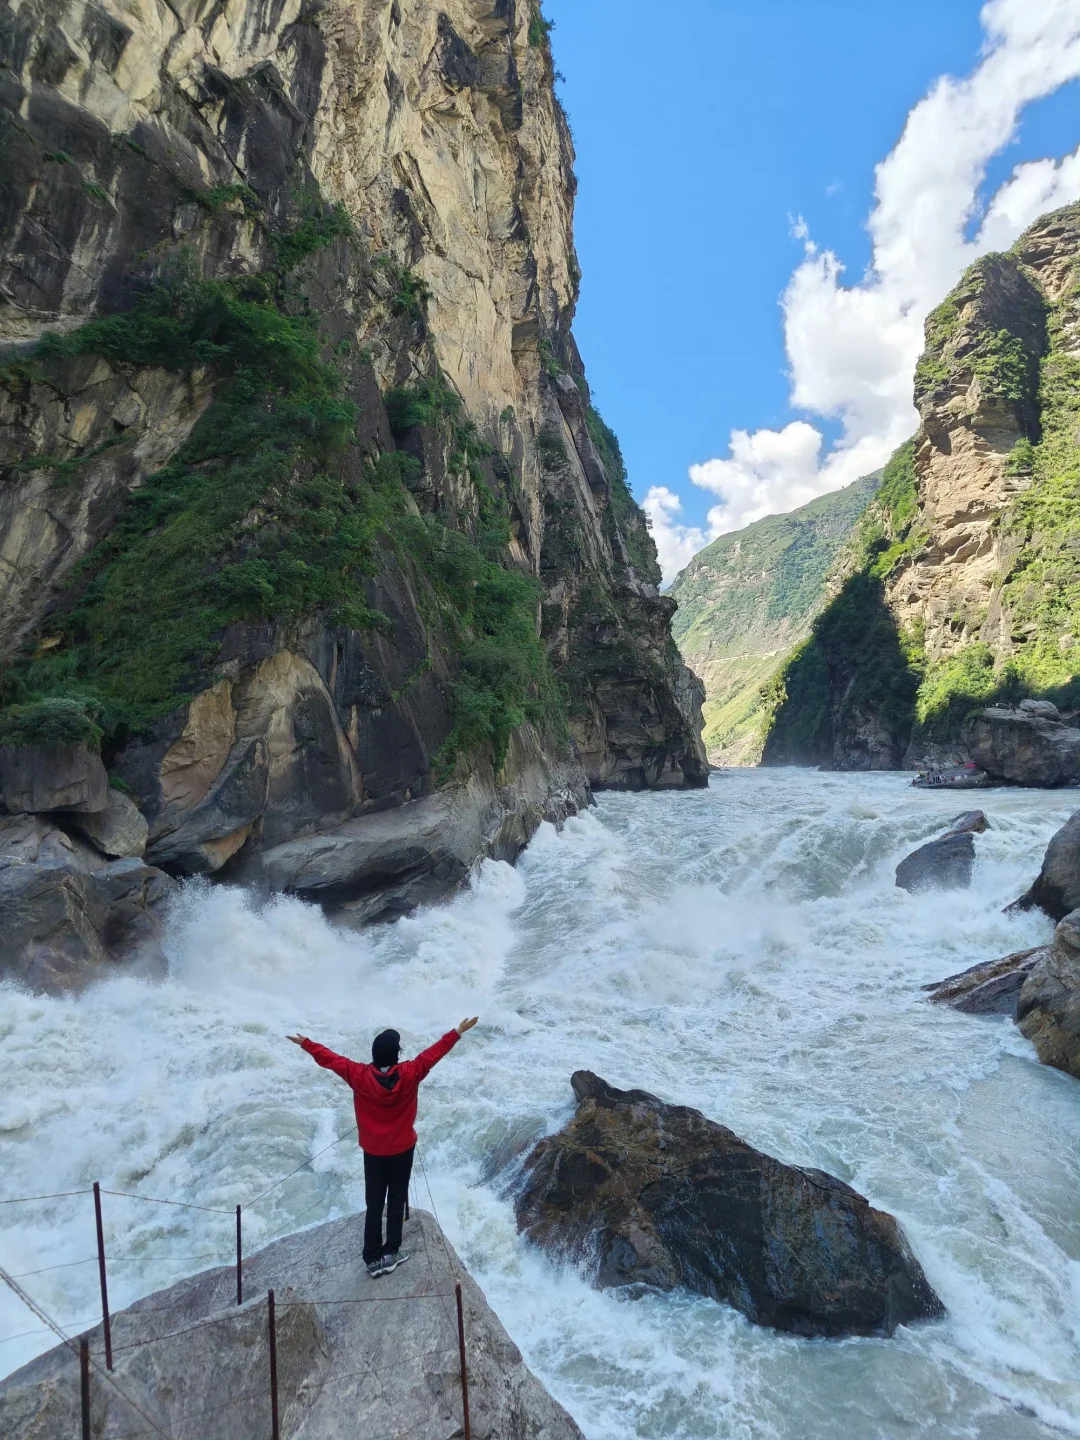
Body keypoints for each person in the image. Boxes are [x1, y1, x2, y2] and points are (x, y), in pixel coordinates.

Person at [287, 1018, 479, 1278]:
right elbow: (433, 1054)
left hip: (374, 1152)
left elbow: (331, 1060)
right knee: (397, 1200)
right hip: (402, 1150)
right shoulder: (411, 1073)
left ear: (374, 1054)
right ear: (396, 1055)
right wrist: (457, 1032)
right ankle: (391, 1254)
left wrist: (307, 1044)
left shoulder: (359, 1075)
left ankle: (372, 1258)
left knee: (374, 1203)